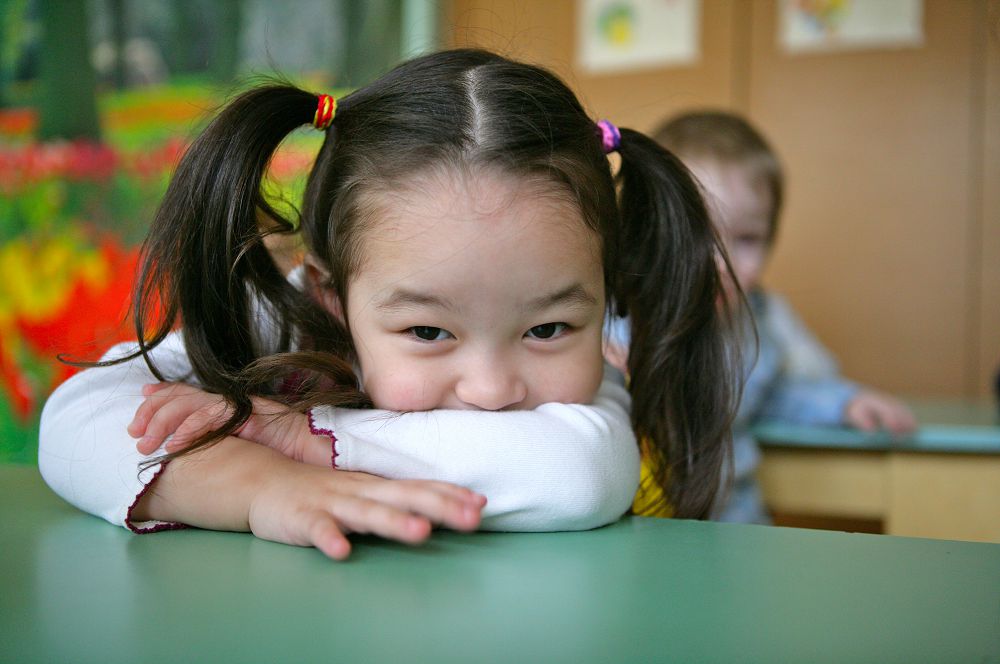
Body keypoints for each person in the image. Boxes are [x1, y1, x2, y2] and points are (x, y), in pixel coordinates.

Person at [39, 50, 739, 559]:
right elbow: (76, 419)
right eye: (429, 331)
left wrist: (306, 440)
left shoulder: (593, 384)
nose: (492, 389)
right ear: (332, 298)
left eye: (548, 328)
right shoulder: (288, 321)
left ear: (605, 294)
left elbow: (579, 475)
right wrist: (256, 485)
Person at [610, 110, 916, 523]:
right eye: (697, 232)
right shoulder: (611, 319)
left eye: (747, 239)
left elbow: (775, 395)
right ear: (645, 230)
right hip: (636, 524)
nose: (721, 263)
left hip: (733, 518)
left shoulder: (752, 325)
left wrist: (845, 403)